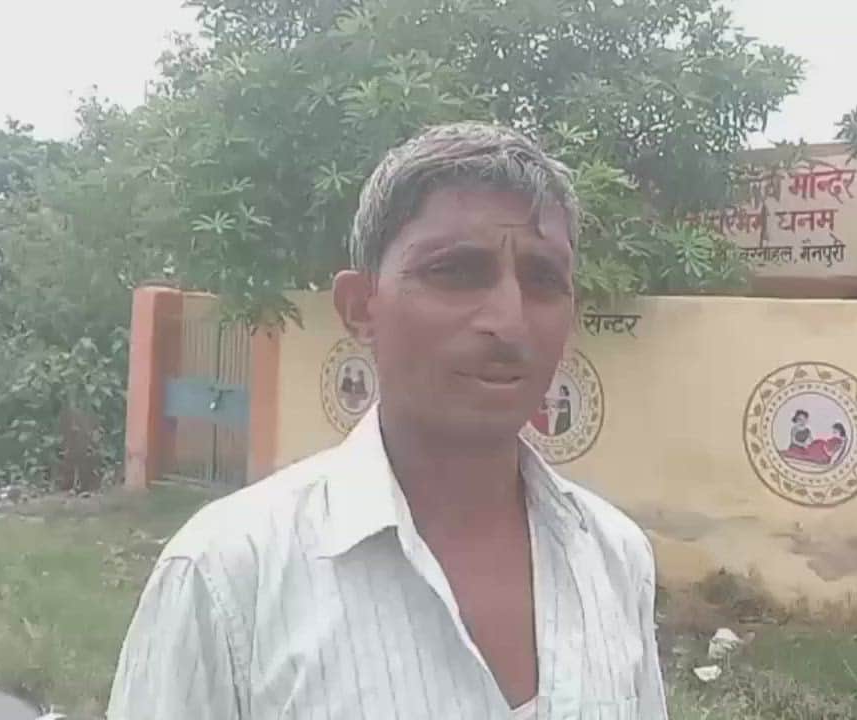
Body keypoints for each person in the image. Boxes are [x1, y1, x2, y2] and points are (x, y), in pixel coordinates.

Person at [107, 122, 668, 719]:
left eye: (544, 280)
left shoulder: (613, 556)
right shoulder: (225, 576)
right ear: (360, 308)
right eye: (456, 272)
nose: (509, 320)